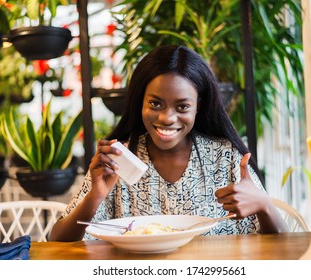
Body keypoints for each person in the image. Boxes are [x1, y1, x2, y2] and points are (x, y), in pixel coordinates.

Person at [50, 45, 288, 241]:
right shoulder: (119, 160)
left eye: (182, 106)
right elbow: (56, 242)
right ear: (140, 100)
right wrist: (94, 196)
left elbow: (283, 245)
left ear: (199, 106)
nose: (167, 118)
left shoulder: (224, 157)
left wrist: (263, 205)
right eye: (155, 104)